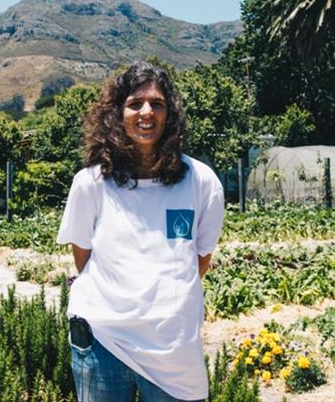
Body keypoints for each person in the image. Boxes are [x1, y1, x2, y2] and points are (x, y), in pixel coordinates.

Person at [57, 60, 224, 402]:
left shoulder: (202, 181)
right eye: (135, 103)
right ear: (117, 114)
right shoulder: (90, 183)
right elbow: (83, 258)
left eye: (157, 104)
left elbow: (199, 260)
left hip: (173, 349)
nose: (146, 112)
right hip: (103, 339)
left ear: (170, 115)